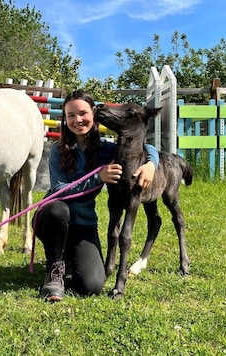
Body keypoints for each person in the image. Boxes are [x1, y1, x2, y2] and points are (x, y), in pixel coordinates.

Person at [34, 90, 159, 302]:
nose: (77, 120)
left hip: (83, 224)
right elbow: (59, 190)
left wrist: (151, 164)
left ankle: (72, 259)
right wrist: (98, 178)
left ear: (93, 114)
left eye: (82, 113)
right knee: (58, 209)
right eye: (70, 115)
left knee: (91, 286)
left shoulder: (105, 150)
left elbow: (143, 145)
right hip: (54, 220)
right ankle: (55, 268)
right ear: (65, 119)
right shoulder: (58, 150)